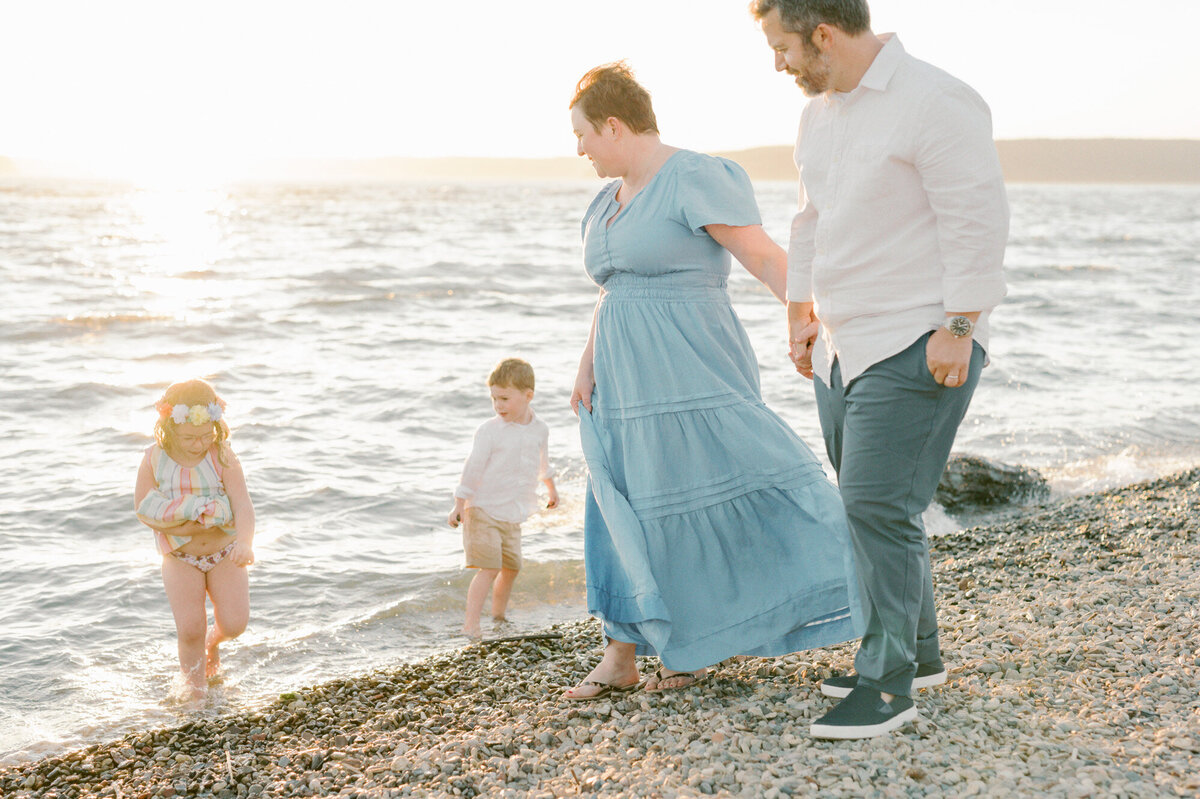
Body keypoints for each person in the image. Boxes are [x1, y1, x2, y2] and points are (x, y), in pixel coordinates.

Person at [751, 0, 1009, 738]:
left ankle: (889, 684)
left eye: (782, 47)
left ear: (823, 35)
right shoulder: (819, 115)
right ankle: (918, 653)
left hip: (919, 337)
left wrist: (959, 326)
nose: (778, 63)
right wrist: (799, 313)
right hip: (841, 345)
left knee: (875, 503)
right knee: (875, 507)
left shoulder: (935, 98)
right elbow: (809, 220)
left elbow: (977, 218)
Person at [564, 62, 862, 701]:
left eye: (584, 134)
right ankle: (623, 653)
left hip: (693, 366)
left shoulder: (695, 176)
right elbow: (612, 289)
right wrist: (587, 364)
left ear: (614, 125)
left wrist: (816, 320)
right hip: (622, 380)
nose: (580, 148)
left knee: (735, 480)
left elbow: (763, 258)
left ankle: (871, 584)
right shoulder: (606, 200)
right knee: (627, 499)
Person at [134, 379, 255, 699]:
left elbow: (243, 504)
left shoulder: (223, 455)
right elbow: (143, 510)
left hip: (224, 552)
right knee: (189, 628)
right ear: (169, 428)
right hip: (179, 556)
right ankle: (195, 691)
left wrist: (244, 542)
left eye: (205, 435)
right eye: (189, 437)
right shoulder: (153, 458)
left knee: (234, 624)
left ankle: (214, 642)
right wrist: (187, 529)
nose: (198, 444)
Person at [448, 358, 559, 639]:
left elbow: (542, 462)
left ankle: (499, 617)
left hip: (513, 512)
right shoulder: (489, 430)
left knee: (511, 567)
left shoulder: (540, 429)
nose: (498, 405)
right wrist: (459, 504)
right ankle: (471, 624)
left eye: (505, 399)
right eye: (494, 398)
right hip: (483, 508)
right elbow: (472, 467)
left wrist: (551, 488)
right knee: (489, 567)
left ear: (528, 395)